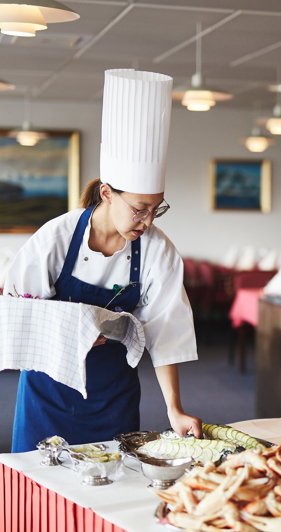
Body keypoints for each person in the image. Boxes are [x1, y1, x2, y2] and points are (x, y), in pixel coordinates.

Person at [5, 69, 202, 453]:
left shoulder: (157, 251)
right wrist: (71, 328)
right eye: (140, 209)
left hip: (113, 394)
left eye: (156, 209)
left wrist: (175, 409)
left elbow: (166, 332)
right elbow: (15, 312)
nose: (147, 221)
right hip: (48, 393)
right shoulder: (56, 238)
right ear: (108, 193)